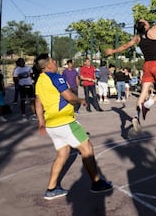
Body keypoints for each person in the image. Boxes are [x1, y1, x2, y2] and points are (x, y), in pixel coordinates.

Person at [34, 53, 112, 200]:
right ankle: (96, 183)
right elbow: (69, 97)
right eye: (53, 60)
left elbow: (38, 102)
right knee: (87, 148)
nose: (56, 62)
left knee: (62, 154)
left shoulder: (40, 80)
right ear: (48, 65)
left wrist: (41, 122)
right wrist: (81, 100)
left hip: (52, 124)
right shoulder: (55, 77)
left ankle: (51, 189)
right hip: (65, 122)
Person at [105, 0, 156, 132]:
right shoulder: (153, 31)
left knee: (143, 93)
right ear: (145, 26)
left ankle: (136, 116)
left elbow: (126, 45)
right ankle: (148, 105)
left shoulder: (137, 38)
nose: (147, 21)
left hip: (147, 66)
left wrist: (112, 51)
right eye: (145, 21)